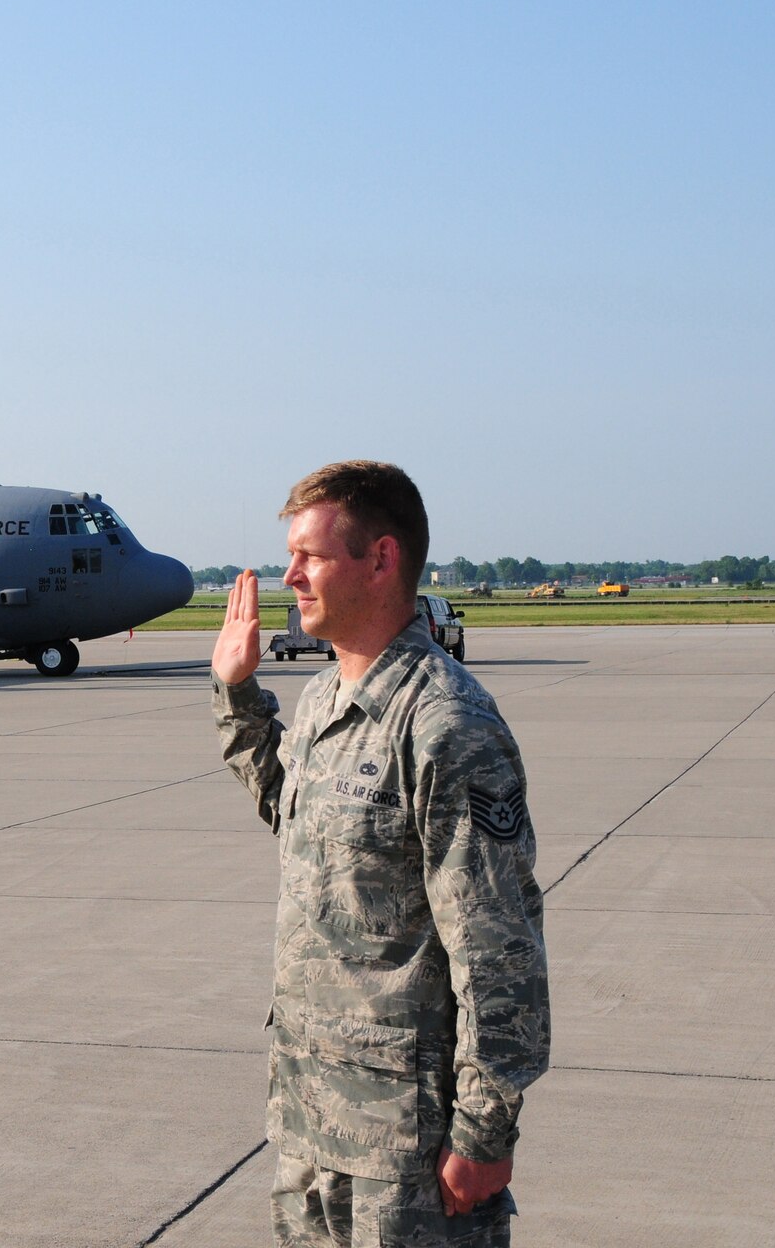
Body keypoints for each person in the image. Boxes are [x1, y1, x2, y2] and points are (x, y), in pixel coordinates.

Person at [210, 461, 549, 1247]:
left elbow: (498, 948)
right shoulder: (325, 697)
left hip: (407, 1149)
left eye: (311, 556)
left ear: (383, 560)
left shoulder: (446, 725)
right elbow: (296, 819)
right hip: (311, 1116)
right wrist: (236, 695)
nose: (290, 575)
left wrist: (484, 1132)